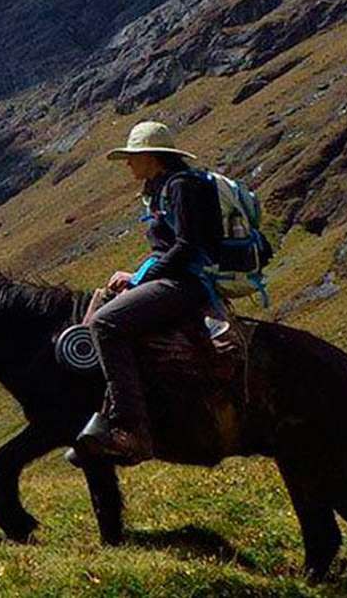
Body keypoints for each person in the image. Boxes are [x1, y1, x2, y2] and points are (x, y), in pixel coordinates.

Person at [78, 121, 223, 464]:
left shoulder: (180, 187)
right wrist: (138, 274)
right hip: (175, 278)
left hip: (185, 285)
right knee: (96, 311)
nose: (128, 164)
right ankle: (99, 422)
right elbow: (169, 248)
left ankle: (131, 432)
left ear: (152, 158)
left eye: (133, 157)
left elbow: (187, 245)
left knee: (105, 325)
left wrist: (141, 279)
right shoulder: (163, 188)